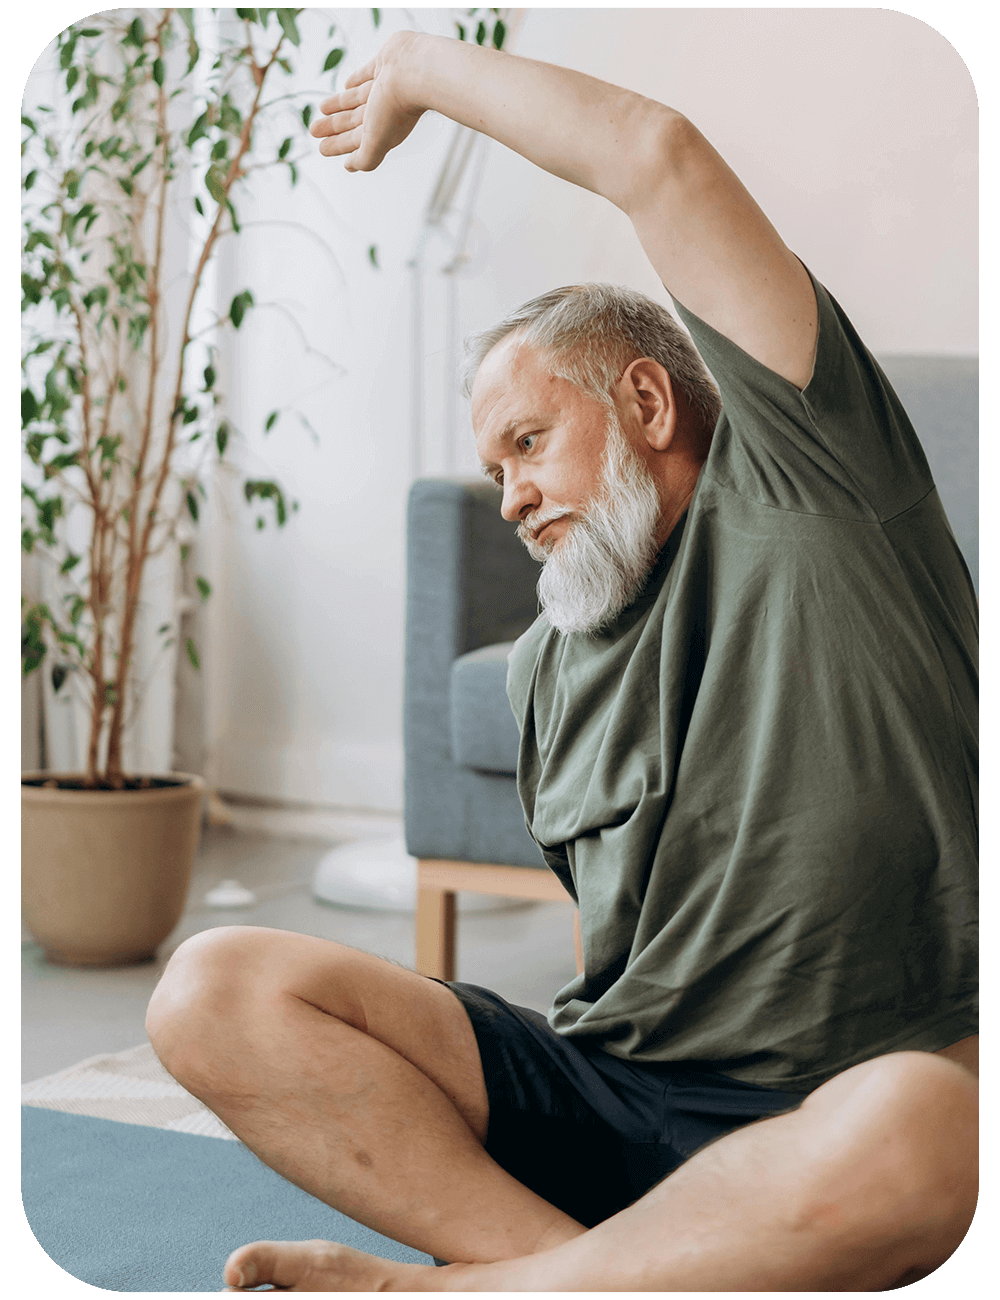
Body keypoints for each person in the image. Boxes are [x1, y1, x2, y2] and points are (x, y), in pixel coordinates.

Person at [145, 29, 978, 1293]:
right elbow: (616, 959)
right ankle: (583, 1276)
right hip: (619, 1098)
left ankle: (483, 1285)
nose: (510, 499)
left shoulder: (815, 485)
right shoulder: (544, 669)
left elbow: (659, 157)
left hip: (836, 1114)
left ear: (647, 403)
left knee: (925, 1126)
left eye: (528, 443)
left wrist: (419, 68)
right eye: (494, 471)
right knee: (209, 985)